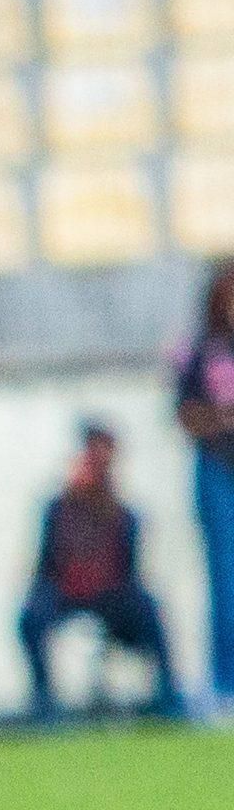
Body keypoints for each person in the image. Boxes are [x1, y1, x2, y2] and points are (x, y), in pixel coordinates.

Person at [19, 423, 182, 722]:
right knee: (31, 617)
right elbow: (44, 567)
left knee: (149, 611)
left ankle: (169, 695)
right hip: (64, 594)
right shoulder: (58, 510)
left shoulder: (124, 515)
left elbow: (130, 572)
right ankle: (43, 700)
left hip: (110, 596)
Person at [172, 260, 234, 710]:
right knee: (225, 578)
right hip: (217, 466)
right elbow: (184, 412)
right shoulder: (197, 350)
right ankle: (224, 680)